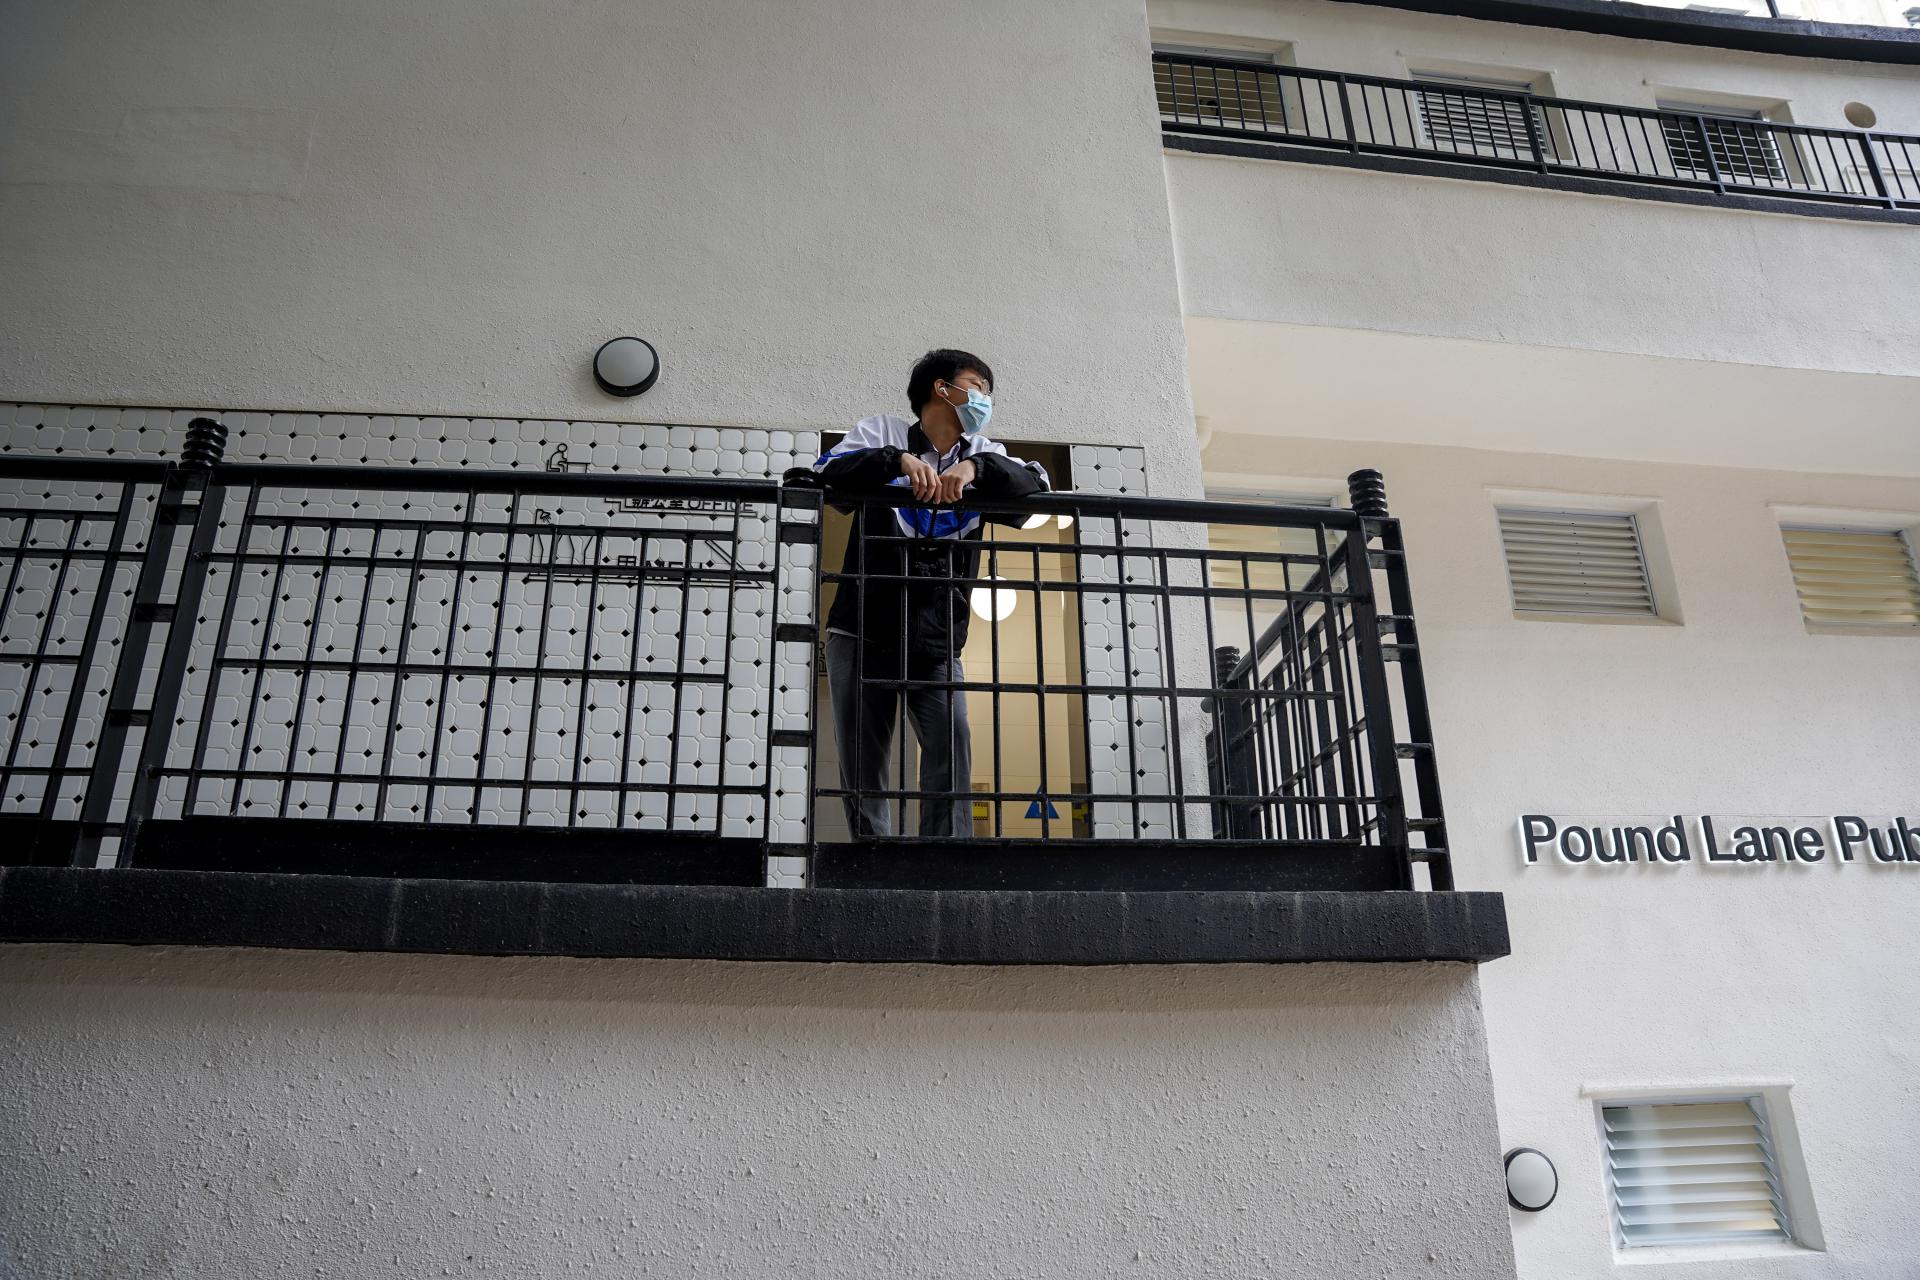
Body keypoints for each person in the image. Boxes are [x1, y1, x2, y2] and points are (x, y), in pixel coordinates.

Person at [813, 349, 1049, 837]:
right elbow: (826, 473)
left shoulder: (984, 449)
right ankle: (872, 858)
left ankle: (943, 860)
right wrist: (896, 461)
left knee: (951, 748)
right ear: (943, 389)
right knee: (863, 761)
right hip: (861, 629)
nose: (984, 400)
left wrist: (975, 470)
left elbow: (1035, 485)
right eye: (977, 388)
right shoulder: (883, 432)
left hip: (938, 640)